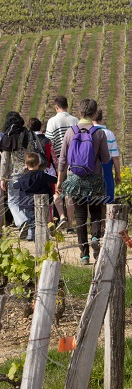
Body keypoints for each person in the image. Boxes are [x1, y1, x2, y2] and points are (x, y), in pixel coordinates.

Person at [57, 98, 110, 265]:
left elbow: (63, 159)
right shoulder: (99, 133)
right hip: (94, 178)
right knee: (95, 210)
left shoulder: (70, 132)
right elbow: (106, 158)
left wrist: (59, 180)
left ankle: (84, 255)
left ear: (79, 113)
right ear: (94, 113)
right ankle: (95, 235)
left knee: (79, 215)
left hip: (75, 179)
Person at [0, 111, 45, 237]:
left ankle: (22, 221)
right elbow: (38, 151)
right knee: (28, 203)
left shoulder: (8, 136)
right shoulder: (30, 134)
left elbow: (5, 160)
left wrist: (2, 178)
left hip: (14, 174)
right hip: (30, 172)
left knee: (12, 202)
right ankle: (31, 233)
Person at [45, 96, 78, 231]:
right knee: (70, 192)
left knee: (57, 190)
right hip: (73, 159)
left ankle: (62, 216)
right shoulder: (75, 120)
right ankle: (70, 225)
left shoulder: (52, 121)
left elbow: (49, 142)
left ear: (56, 107)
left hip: (58, 159)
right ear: (67, 105)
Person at [27, 117, 66, 227]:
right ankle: (56, 219)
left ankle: (39, 223)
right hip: (48, 170)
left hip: (33, 172)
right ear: (40, 127)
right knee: (54, 194)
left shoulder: (29, 142)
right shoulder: (47, 141)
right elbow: (54, 158)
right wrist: (59, 173)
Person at [12, 152, 54, 241]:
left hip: (27, 203)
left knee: (32, 223)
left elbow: (15, 185)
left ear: (26, 165)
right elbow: (54, 179)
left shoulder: (23, 177)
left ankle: (33, 237)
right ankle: (39, 239)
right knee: (42, 222)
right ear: (39, 163)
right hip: (42, 202)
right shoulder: (42, 175)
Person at [92, 109, 121, 203]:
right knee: (107, 200)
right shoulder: (109, 133)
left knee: (92, 201)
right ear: (101, 118)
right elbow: (115, 157)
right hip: (106, 169)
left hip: (91, 168)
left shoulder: (88, 132)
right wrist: (118, 174)